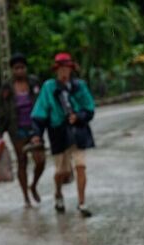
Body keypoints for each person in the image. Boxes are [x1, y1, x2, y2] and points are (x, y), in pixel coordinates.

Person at [30, 53, 96, 217]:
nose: (64, 71)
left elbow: (89, 109)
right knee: (61, 171)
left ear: (71, 69)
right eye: (61, 68)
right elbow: (40, 113)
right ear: (56, 70)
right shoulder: (48, 88)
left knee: (81, 166)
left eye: (66, 68)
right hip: (58, 132)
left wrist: (79, 116)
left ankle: (82, 203)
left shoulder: (80, 86)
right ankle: (58, 194)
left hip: (78, 131)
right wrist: (37, 134)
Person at [0, 53, 45, 207]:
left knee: (40, 160)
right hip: (16, 129)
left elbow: (43, 102)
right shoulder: (6, 88)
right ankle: (26, 197)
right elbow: (0, 110)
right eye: (16, 68)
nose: (19, 71)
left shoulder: (34, 83)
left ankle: (33, 185)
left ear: (26, 68)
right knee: (22, 161)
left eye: (22, 68)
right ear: (12, 70)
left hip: (35, 128)